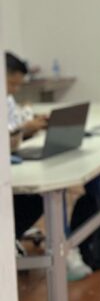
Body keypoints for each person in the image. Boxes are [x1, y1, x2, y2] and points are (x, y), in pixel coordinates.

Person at [7, 51, 94, 280]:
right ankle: (61, 250)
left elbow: (13, 126)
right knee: (40, 198)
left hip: (14, 159)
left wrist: (30, 126)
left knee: (45, 194)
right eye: (12, 84)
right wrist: (23, 128)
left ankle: (65, 247)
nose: (14, 90)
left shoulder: (7, 99)